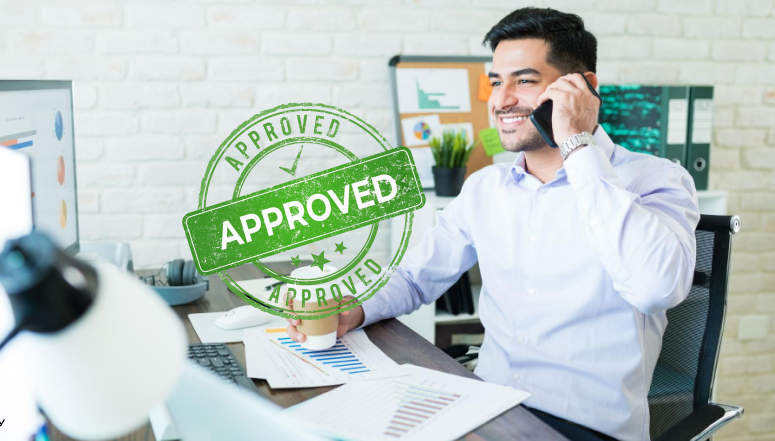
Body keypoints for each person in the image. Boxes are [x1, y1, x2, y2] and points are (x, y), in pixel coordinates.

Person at [287, 7, 699, 441]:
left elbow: (655, 288)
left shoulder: (653, 180)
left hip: (582, 428)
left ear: (582, 87)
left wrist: (577, 143)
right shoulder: (486, 187)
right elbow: (414, 277)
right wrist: (355, 309)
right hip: (485, 406)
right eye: (497, 82)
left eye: (524, 80)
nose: (501, 101)